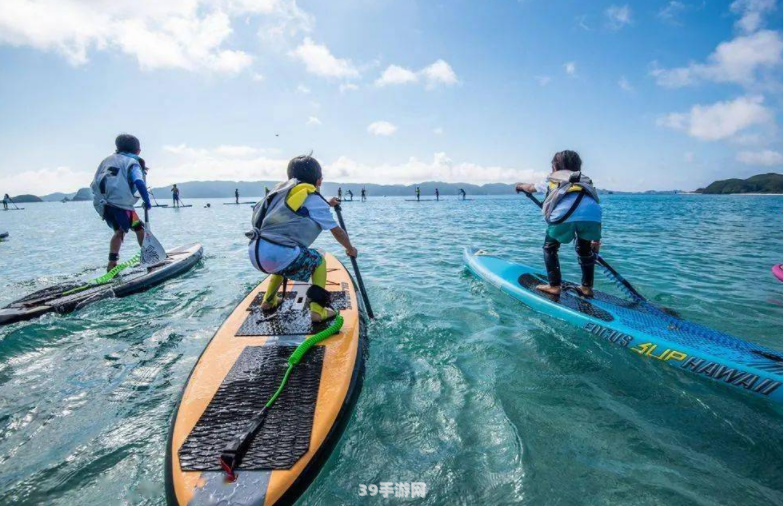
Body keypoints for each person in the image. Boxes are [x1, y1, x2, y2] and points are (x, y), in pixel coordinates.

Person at [248, 155, 359, 323]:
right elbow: (338, 232)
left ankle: (268, 301)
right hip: (279, 253)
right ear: (319, 180)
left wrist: (327, 204)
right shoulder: (312, 197)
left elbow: (300, 208)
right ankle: (318, 310)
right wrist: (350, 248)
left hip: (255, 253)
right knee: (318, 261)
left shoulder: (280, 194)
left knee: (283, 260)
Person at [515, 150, 601, 297]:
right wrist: (596, 239)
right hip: (593, 216)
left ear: (555, 166)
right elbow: (592, 204)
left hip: (563, 216)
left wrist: (520, 186)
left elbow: (530, 188)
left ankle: (554, 286)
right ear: (578, 166)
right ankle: (587, 287)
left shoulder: (552, 180)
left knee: (550, 247)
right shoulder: (585, 180)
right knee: (585, 250)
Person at [90, 134, 152, 272]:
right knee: (120, 232)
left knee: (138, 227)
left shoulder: (107, 160)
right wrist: (147, 200)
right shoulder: (131, 162)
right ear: (138, 151)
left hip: (105, 204)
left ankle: (145, 255)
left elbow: (95, 182)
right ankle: (112, 264)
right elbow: (139, 181)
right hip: (120, 206)